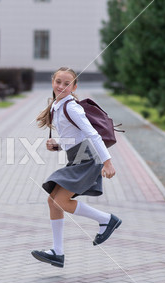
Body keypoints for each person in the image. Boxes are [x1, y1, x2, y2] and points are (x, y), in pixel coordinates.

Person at [31, 67, 122, 268]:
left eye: (66, 84)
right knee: (53, 201)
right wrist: (58, 146)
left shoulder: (71, 107)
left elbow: (92, 135)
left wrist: (108, 161)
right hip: (78, 157)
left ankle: (107, 220)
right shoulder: (57, 106)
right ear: (52, 82)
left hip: (87, 158)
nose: (61, 86)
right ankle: (58, 252)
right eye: (58, 82)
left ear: (74, 87)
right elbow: (74, 138)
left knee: (60, 201)